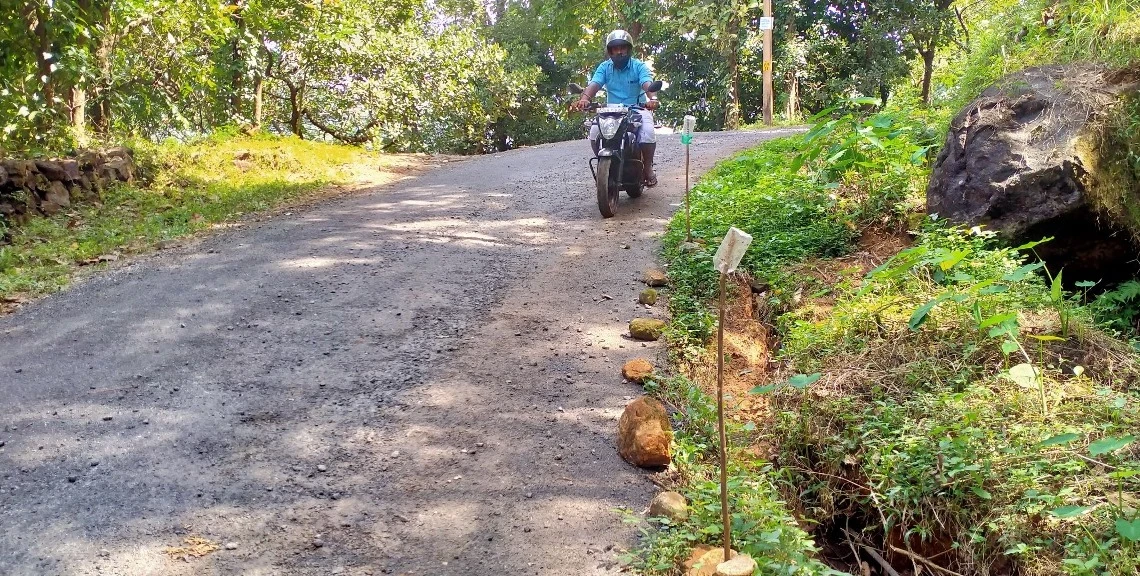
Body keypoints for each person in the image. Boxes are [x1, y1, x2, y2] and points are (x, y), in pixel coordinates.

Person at [570, 30, 660, 187]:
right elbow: (595, 84)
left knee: (648, 133)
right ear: (610, 51)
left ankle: (647, 168)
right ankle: (604, 165)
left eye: (622, 48)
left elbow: (647, 83)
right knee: (594, 133)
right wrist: (584, 99)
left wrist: (653, 99)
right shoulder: (604, 68)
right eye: (615, 48)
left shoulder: (639, 66)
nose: (619, 52)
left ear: (629, 49)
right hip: (611, 110)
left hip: (637, 108)